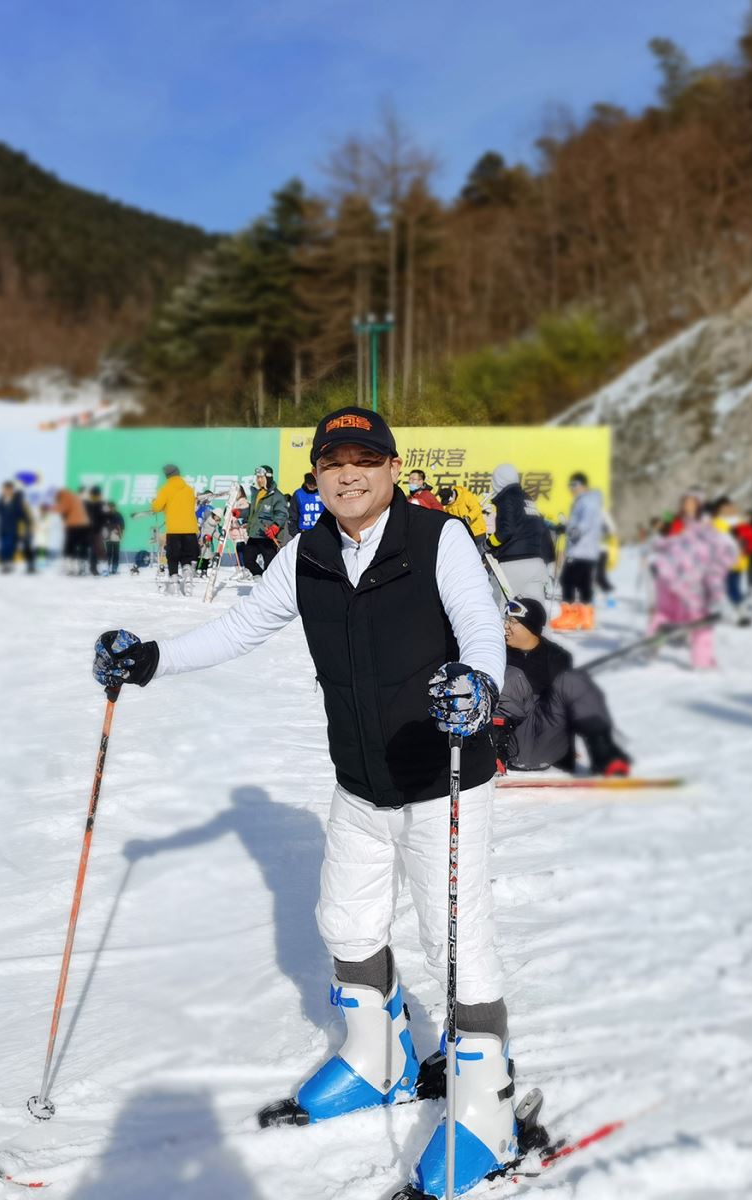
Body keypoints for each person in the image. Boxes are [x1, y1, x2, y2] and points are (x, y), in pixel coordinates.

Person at [92, 406, 519, 1198]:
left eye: (365, 459)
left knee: (457, 942)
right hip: (358, 783)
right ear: (316, 476)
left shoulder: (437, 538)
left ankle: (486, 1112)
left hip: (441, 783)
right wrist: (150, 659)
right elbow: (242, 627)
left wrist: (479, 684)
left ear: (392, 469)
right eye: (333, 462)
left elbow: (478, 625)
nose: (349, 474)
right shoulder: (307, 553)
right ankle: (376, 1057)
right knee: (344, 924)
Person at [496, 597, 631, 777]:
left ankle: (605, 756)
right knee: (510, 676)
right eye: (506, 621)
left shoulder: (557, 656)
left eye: (513, 622)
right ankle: (495, 756)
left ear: (530, 626)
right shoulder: (497, 653)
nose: (506, 626)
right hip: (512, 740)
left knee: (574, 682)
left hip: (547, 741)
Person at [646, 502, 736, 669]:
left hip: (666, 577)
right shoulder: (711, 539)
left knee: (666, 613)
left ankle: (655, 636)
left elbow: (660, 545)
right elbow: (713, 573)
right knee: (701, 622)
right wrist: (719, 598)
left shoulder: (678, 526)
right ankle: (702, 663)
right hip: (689, 584)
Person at [487, 464, 552, 602]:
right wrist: (550, 559)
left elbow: (506, 530)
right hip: (536, 561)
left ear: (498, 480)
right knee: (534, 610)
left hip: (514, 564)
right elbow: (541, 528)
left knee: (511, 610)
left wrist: (487, 545)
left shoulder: (506, 498)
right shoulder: (527, 499)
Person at [550, 472, 603, 632]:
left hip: (580, 550)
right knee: (584, 584)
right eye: (570, 485)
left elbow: (583, 525)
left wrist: (568, 529)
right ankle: (585, 617)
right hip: (587, 551)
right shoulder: (589, 501)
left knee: (567, 581)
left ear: (583, 485)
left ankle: (570, 617)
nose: (571, 489)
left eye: (574, 485)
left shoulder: (586, 502)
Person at [150, 464, 200, 593]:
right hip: (190, 528)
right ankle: (188, 577)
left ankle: (174, 585)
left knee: (172, 557)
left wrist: (155, 502)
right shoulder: (189, 489)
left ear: (167, 475)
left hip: (174, 529)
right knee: (187, 556)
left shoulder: (166, 489)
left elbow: (157, 507)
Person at [243, 464, 288, 577]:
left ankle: (271, 583)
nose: (259, 480)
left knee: (270, 564)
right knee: (248, 559)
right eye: (257, 477)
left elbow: (282, 514)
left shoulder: (277, 496)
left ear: (268, 478)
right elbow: (252, 511)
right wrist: (239, 513)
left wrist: (275, 526)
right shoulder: (256, 494)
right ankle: (261, 578)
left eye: (261, 477)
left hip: (267, 535)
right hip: (254, 533)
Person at [0, 481, 28, 573]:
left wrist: (26, 522)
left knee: (9, 546)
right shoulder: (1, 499)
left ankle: (8, 563)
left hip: (12, 528)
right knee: (2, 547)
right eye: (4, 489)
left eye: (8, 489)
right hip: (2, 528)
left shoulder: (16, 500)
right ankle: (3, 564)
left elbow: (21, 513)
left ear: (11, 490)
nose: (6, 491)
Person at [50, 487, 92, 574]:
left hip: (74, 525)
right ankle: (80, 566)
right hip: (83, 525)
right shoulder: (75, 498)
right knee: (80, 547)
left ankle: (71, 568)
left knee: (70, 547)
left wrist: (51, 508)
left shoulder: (66, 496)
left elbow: (62, 508)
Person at [438, 483, 487, 554]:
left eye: (448, 502)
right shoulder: (449, 506)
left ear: (451, 497)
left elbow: (477, 509)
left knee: (480, 555)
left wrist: (468, 518)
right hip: (465, 535)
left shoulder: (466, 496)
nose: (448, 504)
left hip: (477, 532)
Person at [84, 486, 108, 576]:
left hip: (96, 530)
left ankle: (93, 567)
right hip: (92, 531)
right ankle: (92, 568)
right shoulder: (89, 504)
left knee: (95, 550)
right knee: (94, 550)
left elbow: (104, 517)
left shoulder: (99, 504)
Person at [102, 501, 125, 574]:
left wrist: (120, 532)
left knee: (116, 553)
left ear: (115, 507)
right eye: (110, 507)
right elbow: (103, 525)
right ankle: (108, 567)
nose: (111, 508)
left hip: (116, 536)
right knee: (108, 553)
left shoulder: (118, 515)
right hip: (108, 537)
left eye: (112, 507)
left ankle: (114, 568)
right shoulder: (105, 515)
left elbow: (122, 525)